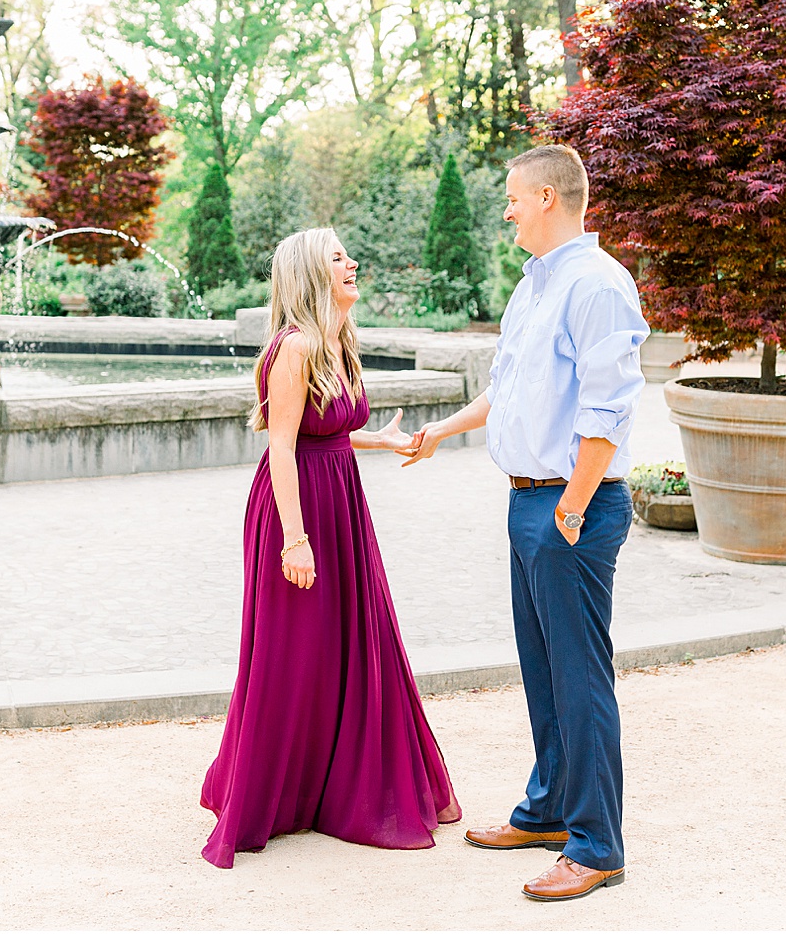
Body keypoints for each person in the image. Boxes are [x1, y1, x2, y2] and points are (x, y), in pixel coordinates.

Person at [399, 144, 647, 902]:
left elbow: (610, 406)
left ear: (546, 197)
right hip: (529, 500)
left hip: (571, 505)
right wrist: (442, 428)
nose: (505, 210)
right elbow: (507, 393)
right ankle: (547, 811)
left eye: (512, 197)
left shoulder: (599, 285)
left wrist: (570, 506)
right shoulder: (534, 286)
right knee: (545, 673)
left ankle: (597, 844)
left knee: (580, 677)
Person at [199, 227, 461, 869]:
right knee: (292, 652)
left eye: (347, 254)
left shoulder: (338, 341)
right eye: (337, 258)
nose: (351, 263)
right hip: (299, 512)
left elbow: (331, 431)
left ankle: (324, 792)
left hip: (339, 501)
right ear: (312, 276)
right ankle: (270, 797)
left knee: (349, 642)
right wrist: (295, 539)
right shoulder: (294, 348)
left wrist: (380, 442)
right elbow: (283, 446)